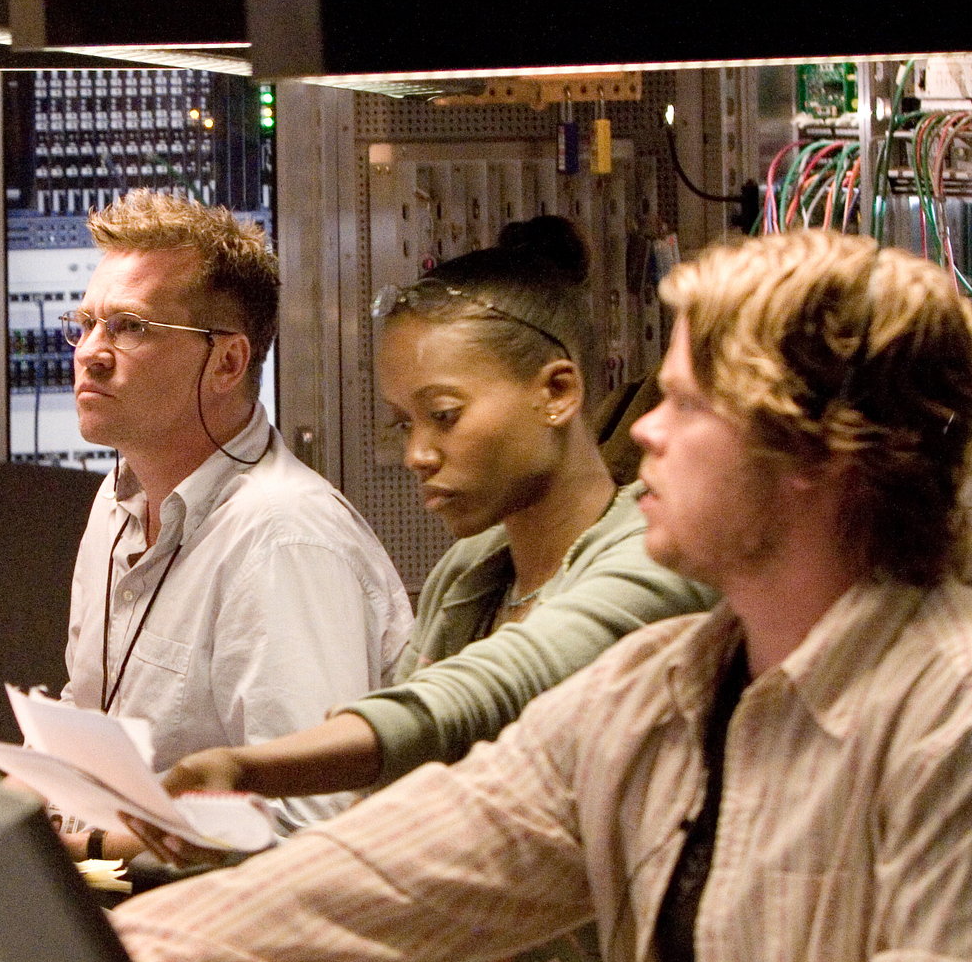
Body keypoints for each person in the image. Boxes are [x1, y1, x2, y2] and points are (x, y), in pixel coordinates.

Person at [114, 230, 972, 962]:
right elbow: (415, 865)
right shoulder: (670, 686)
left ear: (814, 452)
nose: (644, 430)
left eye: (687, 405)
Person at [160, 219, 711, 859]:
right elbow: (391, 804)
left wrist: (252, 768)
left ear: (557, 391)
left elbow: (486, 689)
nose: (417, 454)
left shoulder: (657, 553)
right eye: (405, 424)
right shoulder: (470, 570)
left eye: (444, 415)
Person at [58, 190, 412, 855]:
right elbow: (90, 723)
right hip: (120, 891)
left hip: (230, 910)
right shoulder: (118, 501)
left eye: (130, 327)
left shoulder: (284, 538)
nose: (91, 353)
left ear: (227, 362)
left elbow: (305, 826)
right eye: (86, 324)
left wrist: (87, 851)